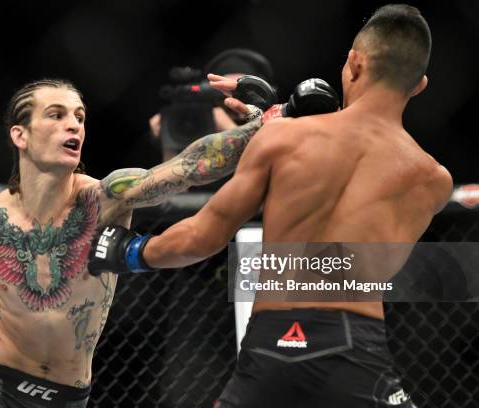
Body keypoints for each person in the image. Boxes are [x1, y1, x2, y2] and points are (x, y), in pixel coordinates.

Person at [89, 5, 453, 407]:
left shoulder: (283, 139)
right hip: (354, 349)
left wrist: (129, 251)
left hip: (268, 348)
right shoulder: (431, 180)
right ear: (419, 85)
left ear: (353, 64)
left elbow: (201, 237)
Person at [0, 76, 263, 407]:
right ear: (20, 134)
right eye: (57, 115)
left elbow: (189, 167)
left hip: (69, 397)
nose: (74, 126)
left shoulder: (106, 198)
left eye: (80, 117)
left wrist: (262, 126)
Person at [150, 49, 273, 161]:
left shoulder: (275, 124)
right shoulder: (200, 126)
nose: (233, 100)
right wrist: (171, 141)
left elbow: (270, 160)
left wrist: (231, 131)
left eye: (243, 93)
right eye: (224, 94)